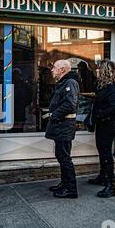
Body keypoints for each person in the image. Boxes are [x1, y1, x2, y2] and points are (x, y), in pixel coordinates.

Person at [87, 59, 115, 197]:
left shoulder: (112, 87)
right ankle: (103, 177)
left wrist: (100, 114)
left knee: (106, 154)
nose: (96, 71)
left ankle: (111, 186)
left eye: (98, 69)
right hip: (103, 123)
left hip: (109, 123)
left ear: (104, 71)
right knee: (102, 152)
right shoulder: (103, 86)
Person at [45, 59, 80, 198]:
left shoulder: (70, 83)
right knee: (61, 156)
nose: (52, 70)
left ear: (63, 70)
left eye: (54, 67)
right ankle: (64, 184)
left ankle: (71, 189)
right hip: (61, 126)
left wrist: (54, 115)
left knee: (64, 157)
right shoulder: (64, 82)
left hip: (64, 126)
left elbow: (70, 105)